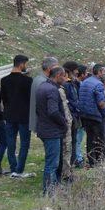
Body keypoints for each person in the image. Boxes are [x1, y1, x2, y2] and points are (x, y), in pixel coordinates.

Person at [36, 67, 67, 195]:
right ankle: (49, 192)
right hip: (52, 131)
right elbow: (53, 111)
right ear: (58, 75)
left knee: (54, 161)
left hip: (44, 128)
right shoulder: (53, 90)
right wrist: (63, 122)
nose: (65, 79)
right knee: (52, 163)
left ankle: (55, 187)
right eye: (64, 76)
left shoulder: (42, 86)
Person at [0, 55, 33, 177]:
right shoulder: (28, 81)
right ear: (21, 64)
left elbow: (4, 99)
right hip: (24, 117)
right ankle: (19, 169)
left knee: (10, 142)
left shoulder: (4, 80)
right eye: (25, 64)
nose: (26, 67)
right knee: (24, 143)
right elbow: (31, 99)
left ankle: (13, 167)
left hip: (9, 115)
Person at [78, 64, 105, 166]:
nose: (104, 73)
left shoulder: (84, 82)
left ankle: (91, 161)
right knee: (100, 139)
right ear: (99, 72)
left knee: (90, 138)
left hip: (84, 115)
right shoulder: (98, 84)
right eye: (103, 71)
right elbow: (101, 103)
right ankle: (100, 161)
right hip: (95, 115)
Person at [29, 57, 59, 136]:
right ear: (49, 69)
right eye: (56, 68)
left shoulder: (38, 79)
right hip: (44, 122)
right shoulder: (43, 82)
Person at [62, 61, 81, 171]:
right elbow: (71, 100)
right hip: (71, 116)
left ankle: (72, 163)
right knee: (70, 142)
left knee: (74, 140)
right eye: (76, 69)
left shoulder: (72, 83)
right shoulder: (67, 85)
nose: (77, 72)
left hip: (74, 115)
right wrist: (77, 109)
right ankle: (70, 165)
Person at [57, 75, 73, 182]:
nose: (65, 79)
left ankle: (65, 172)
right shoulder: (58, 90)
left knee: (66, 149)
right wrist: (66, 122)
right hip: (63, 125)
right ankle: (65, 174)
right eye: (64, 76)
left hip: (66, 123)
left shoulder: (60, 89)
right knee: (65, 149)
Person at [73, 65, 88, 168]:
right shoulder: (76, 85)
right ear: (82, 74)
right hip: (78, 116)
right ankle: (77, 158)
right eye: (85, 73)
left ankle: (78, 156)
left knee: (79, 138)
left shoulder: (80, 84)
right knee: (78, 138)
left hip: (80, 115)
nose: (87, 75)